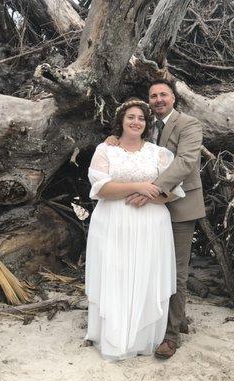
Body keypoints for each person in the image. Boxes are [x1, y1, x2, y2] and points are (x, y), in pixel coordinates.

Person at [105, 79, 205, 359]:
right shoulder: (146, 127)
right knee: (149, 268)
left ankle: (171, 335)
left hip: (180, 207)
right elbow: (133, 147)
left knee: (176, 271)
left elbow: (185, 163)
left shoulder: (189, 124)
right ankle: (151, 324)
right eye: (153, 96)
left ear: (173, 98)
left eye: (163, 94)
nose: (158, 99)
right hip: (149, 213)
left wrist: (153, 190)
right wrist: (114, 139)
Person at [85, 99, 184, 360]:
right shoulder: (105, 150)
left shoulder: (158, 154)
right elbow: (101, 189)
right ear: (121, 121)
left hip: (151, 226)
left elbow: (170, 193)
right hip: (113, 224)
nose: (136, 122)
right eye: (130, 117)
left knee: (146, 275)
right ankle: (115, 336)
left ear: (146, 123)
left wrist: (150, 195)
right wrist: (139, 186)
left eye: (141, 118)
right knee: (115, 274)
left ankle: (143, 337)